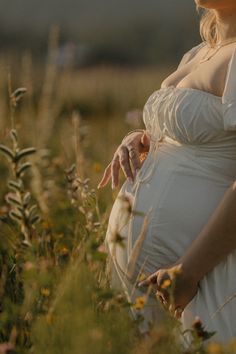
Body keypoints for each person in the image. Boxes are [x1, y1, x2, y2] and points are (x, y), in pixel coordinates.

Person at [97, 0, 236, 344]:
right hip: (144, 276)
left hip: (202, 277)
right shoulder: (198, 52)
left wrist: (188, 272)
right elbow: (186, 136)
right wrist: (141, 139)